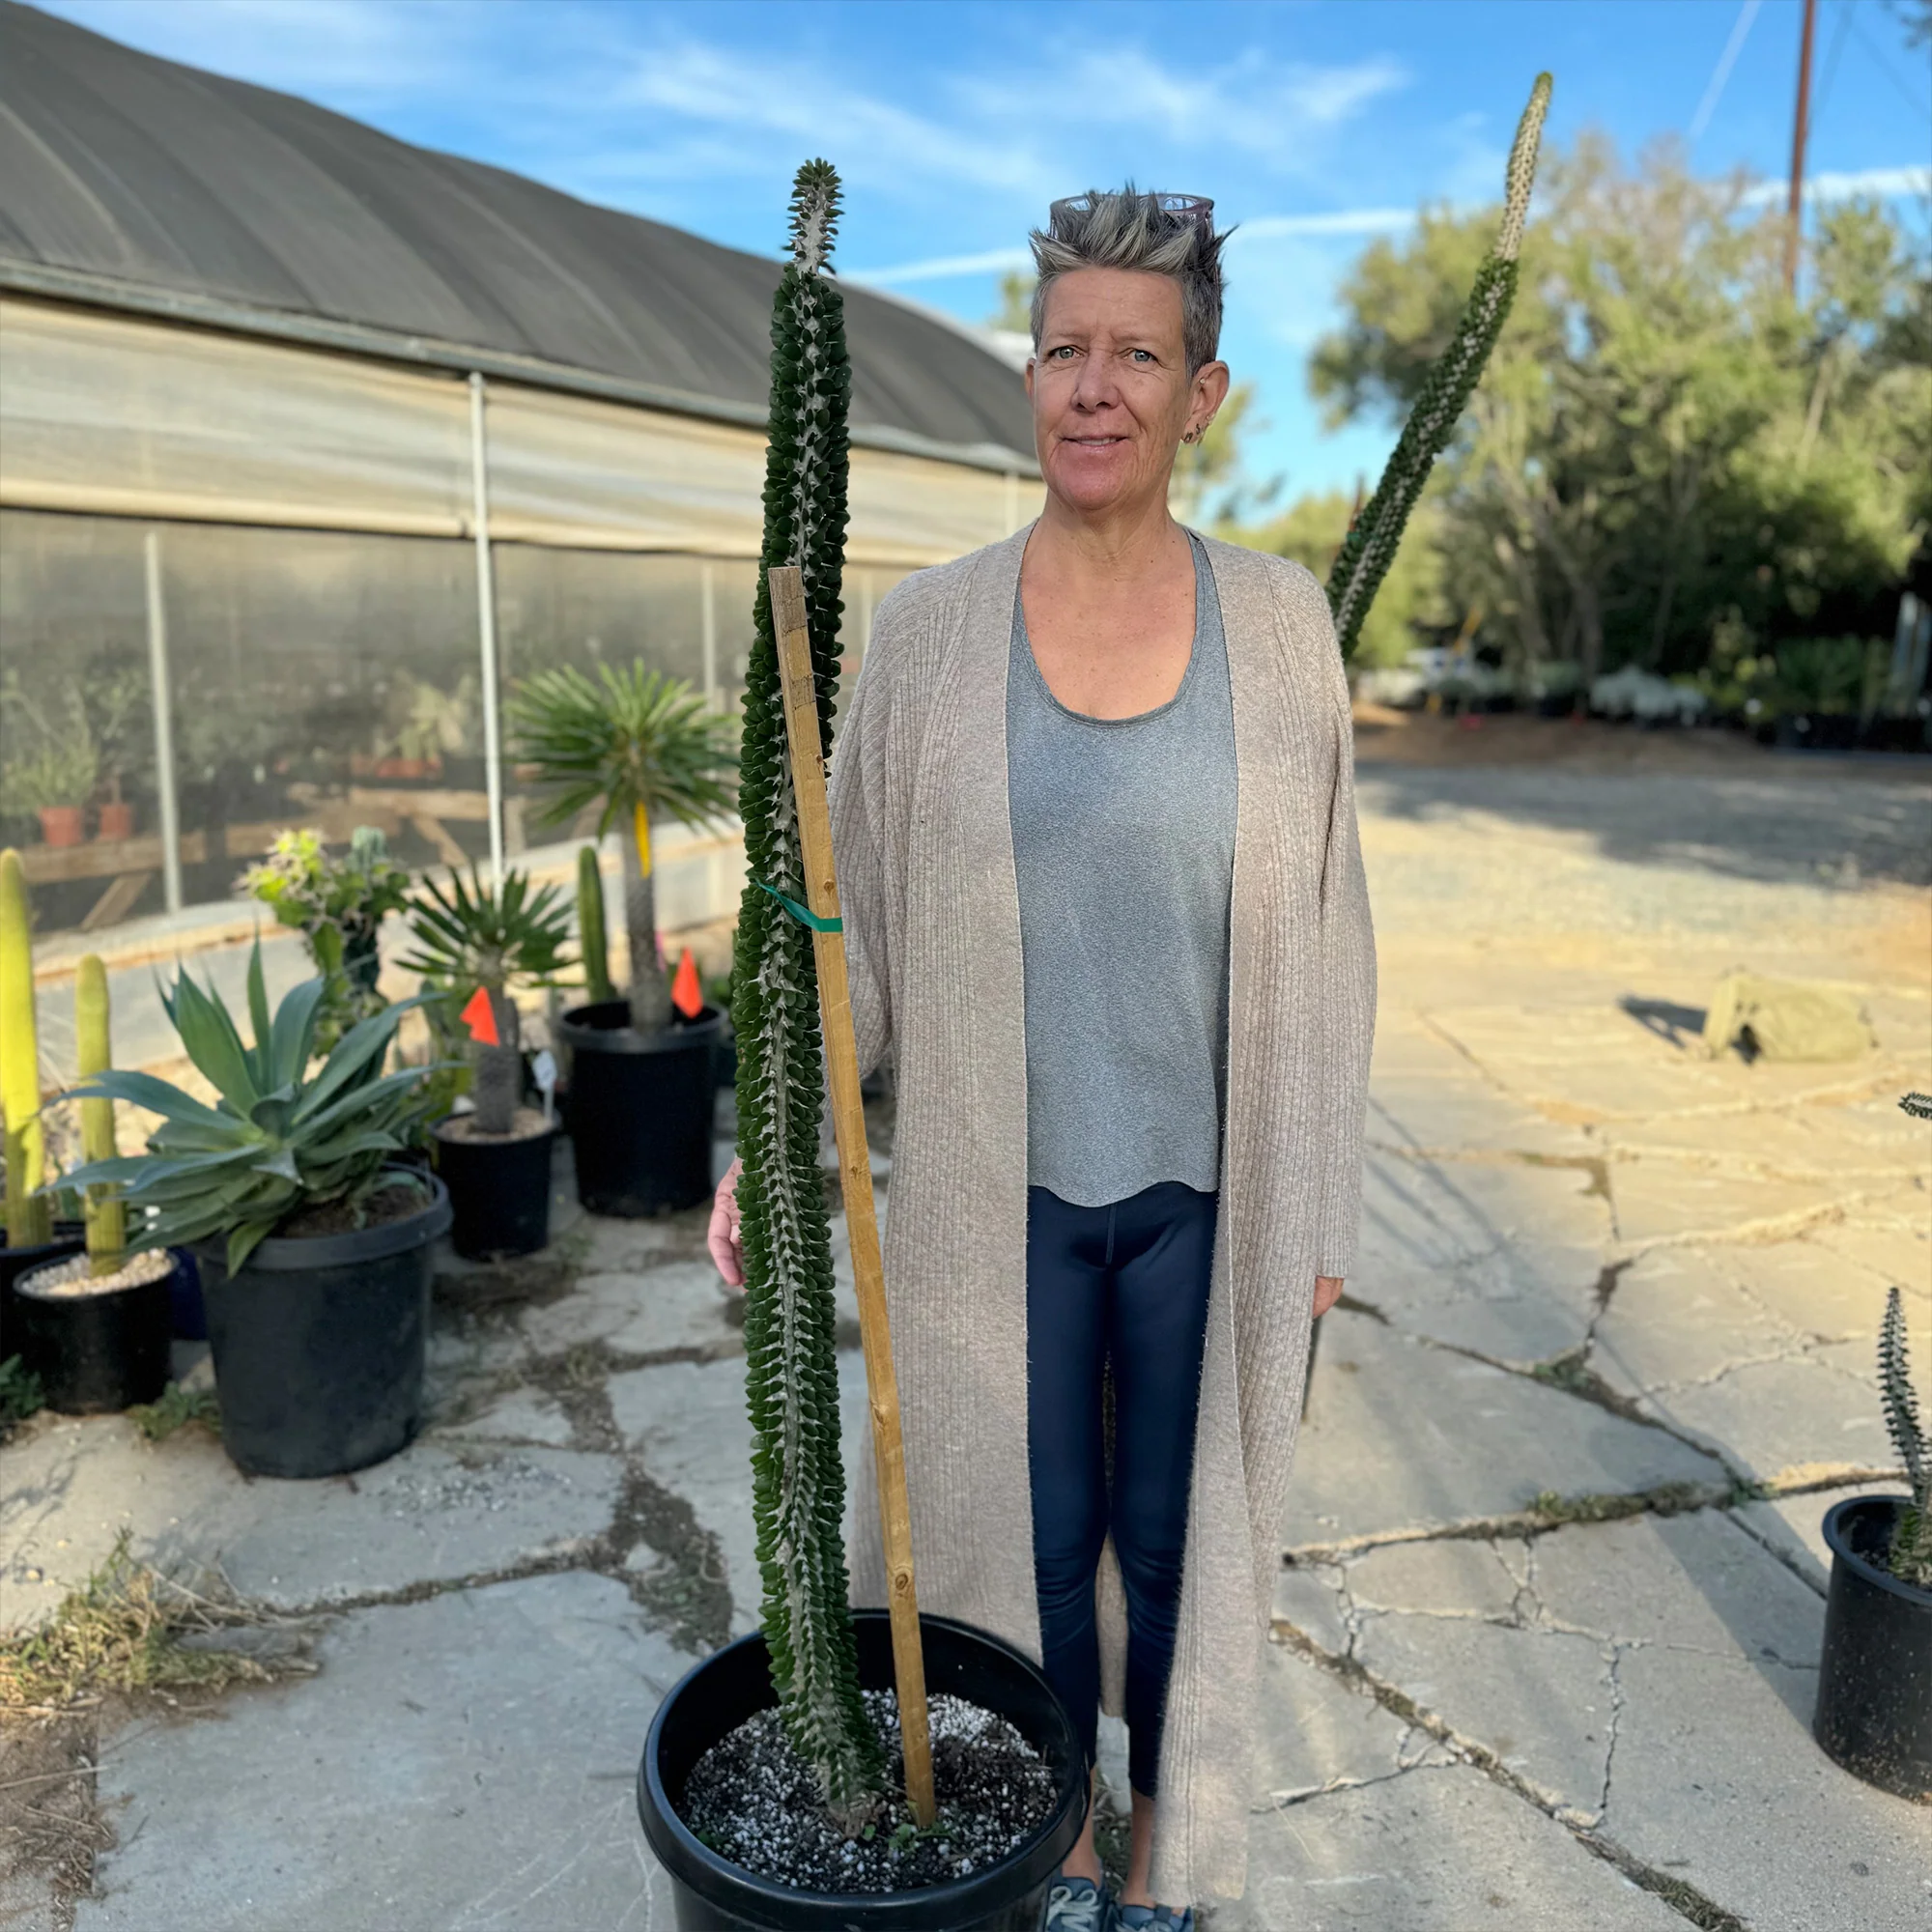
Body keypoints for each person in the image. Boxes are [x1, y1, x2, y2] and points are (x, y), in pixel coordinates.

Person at [710, 185, 1376, 1932]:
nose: (1095, 387)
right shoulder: (929, 636)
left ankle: (1167, 1849)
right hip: (993, 1191)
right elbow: (844, 924)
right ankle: (1057, 1845)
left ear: (1202, 395)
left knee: (1176, 1545)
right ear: (1029, 377)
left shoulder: (1282, 627)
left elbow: (1331, 933)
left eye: (1136, 357)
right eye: (1066, 349)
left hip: (1202, 1192)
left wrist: (1320, 1211)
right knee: (1025, 1551)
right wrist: (774, 1146)